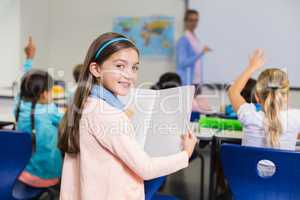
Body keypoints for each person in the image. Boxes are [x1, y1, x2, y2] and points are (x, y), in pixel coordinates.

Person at [58, 32, 197, 200]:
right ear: (96, 69)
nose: (129, 75)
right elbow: (146, 168)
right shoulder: (107, 115)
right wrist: (186, 154)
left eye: (134, 67)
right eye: (119, 66)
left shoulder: (87, 104)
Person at [228, 49, 300, 150]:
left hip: (248, 166)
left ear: (257, 97)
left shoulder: (249, 116)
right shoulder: (296, 118)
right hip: (286, 166)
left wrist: (251, 67)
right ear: (286, 97)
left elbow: (233, 92)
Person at [14, 70, 63, 188]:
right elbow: (67, 122)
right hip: (48, 177)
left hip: (22, 174)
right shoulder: (50, 110)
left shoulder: (19, 108)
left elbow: (21, 91)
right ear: (45, 94)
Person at [176, 9, 211, 85]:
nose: (194, 23)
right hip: (188, 81)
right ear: (186, 21)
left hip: (197, 81)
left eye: (196, 20)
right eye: (191, 20)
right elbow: (182, 63)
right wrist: (201, 53)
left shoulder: (196, 38)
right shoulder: (183, 40)